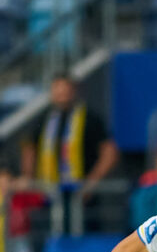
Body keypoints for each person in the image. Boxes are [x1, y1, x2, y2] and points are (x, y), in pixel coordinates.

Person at [20, 74, 119, 232]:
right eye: (58, 92)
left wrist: (91, 182)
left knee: (84, 238)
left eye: (66, 91)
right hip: (49, 193)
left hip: (81, 194)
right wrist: (30, 178)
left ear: (75, 91)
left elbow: (110, 152)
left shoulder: (90, 118)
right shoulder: (44, 118)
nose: (62, 96)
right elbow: (29, 147)